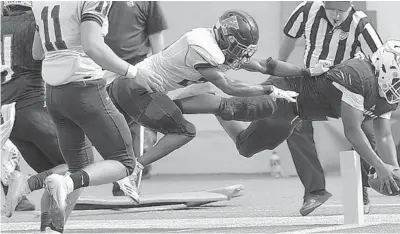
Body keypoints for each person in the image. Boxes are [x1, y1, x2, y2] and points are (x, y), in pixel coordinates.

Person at [174, 40, 400, 201]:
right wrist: (380, 168)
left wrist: (395, 171)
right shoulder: (359, 76)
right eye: (398, 81)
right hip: (286, 91)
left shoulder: (384, 93)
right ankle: (172, 106)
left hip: (297, 112)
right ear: (384, 69)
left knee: (246, 147)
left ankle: (210, 96)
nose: (399, 89)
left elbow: (385, 135)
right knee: (239, 109)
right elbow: (353, 131)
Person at [105, 10, 317, 186]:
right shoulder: (204, 48)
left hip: (135, 88)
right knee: (185, 131)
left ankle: (84, 176)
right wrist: (269, 90)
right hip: (137, 90)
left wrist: (306, 72)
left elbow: (266, 65)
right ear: (226, 39)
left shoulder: (218, 44)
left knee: (203, 90)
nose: (241, 55)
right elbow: (230, 86)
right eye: (238, 48)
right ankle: (132, 172)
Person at [30, 1, 165, 232]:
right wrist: (133, 72)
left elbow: (37, 52)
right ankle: (65, 182)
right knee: (125, 163)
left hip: (54, 93)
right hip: (84, 88)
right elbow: (92, 45)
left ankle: (51, 229)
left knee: (78, 167)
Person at [278, 1, 383, 215]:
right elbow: (289, 39)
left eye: (341, 11)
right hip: (310, 83)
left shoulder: (361, 24)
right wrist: (279, 69)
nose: (336, 15)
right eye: (331, 9)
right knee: (293, 125)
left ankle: (360, 190)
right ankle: (315, 191)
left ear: (350, 6)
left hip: (345, 88)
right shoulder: (306, 10)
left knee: (367, 133)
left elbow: (380, 60)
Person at [1, 1, 69, 219]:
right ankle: (26, 184)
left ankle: (50, 224)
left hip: (7, 116)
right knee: (80, 166)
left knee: (55, 173)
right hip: (31, 107)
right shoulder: (38, 21)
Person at [104, 1, 168, 196]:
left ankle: (127, 180)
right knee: (107, 124)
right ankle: (122, 170)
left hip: (137, 68)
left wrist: (159, 72)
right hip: (102, 66)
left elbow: (156, 38)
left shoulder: (147, 2)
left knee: (134, 124)